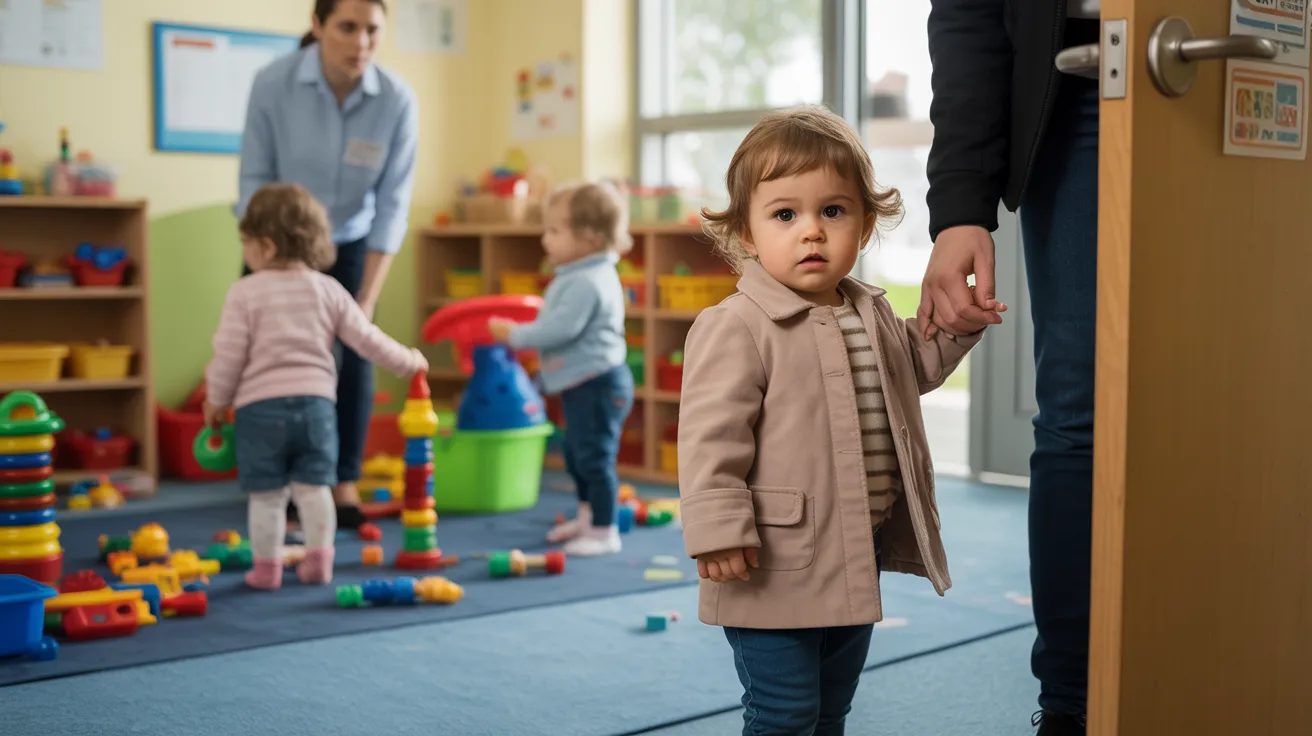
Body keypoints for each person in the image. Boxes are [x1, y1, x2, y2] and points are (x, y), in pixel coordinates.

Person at [677, 105, 987, 735]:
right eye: (785, 215)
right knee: (784, 711)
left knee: (831, 708)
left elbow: (914, 370)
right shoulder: (736, 326)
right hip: (772, 560)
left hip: (853, 552)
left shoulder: (870, 313)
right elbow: (711, 439)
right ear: (746, 233)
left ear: (865, 225)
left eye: (833, 212)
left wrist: (956, 329)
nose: (811, 232)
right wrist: (715, 528)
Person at [924, 2, 1100, 734]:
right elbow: (968, 17)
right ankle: (1072, 702)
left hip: (1259, 58)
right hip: (1089, 78)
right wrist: (960, 207)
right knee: (1078, 407)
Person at [236, 0, 418, 530]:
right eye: (347, 27)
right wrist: (268, 258)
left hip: (354, 239)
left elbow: (392, 206)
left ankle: (340, 480)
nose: (360, 41)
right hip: (277, 243)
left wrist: (364, 299)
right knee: (271, 353)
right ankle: (276, 477)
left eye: (372, 30)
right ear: (317, 27)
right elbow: (255, 179)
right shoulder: (273, 83)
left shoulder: (397, 99)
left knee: (355, 355)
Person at [204, 183, 428, 589]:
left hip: (261, 411)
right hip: (317, 409)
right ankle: (319, 564)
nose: (246, 254)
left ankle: (267, 570)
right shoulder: (329, 289)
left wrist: (216, 400)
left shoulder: (245, 293)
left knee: (268, 495)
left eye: (247, 245)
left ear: (266, 246)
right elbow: (367, 339)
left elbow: (229, 355)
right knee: (315, 489)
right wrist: (409, 362)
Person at [487, 182, 635, 557]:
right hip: (583, 383)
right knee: (576, 454)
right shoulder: (578, 273)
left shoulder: (588, 280)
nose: (544, 240)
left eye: (554, 231)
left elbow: (561, 329)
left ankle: (604, 531)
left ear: (589, 237)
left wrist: (515, 334)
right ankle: (588, 518)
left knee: (594, 457)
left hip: (598, 384)